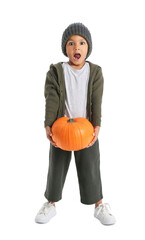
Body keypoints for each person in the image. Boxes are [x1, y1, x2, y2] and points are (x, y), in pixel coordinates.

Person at [35, 23, 116, 225]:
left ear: (88, 47)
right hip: (61, 128)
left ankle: (98, 205)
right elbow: (51, 98)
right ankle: (50, 203)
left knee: (91, 167)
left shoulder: (95, 71)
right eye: (71, 43)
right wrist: (48, 124)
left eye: (81, 43)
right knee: (56, 166)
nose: (76, 47)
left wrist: (97, 126)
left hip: (86, 129)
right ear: (65, 48)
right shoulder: (56, 71)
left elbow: (97, 100)